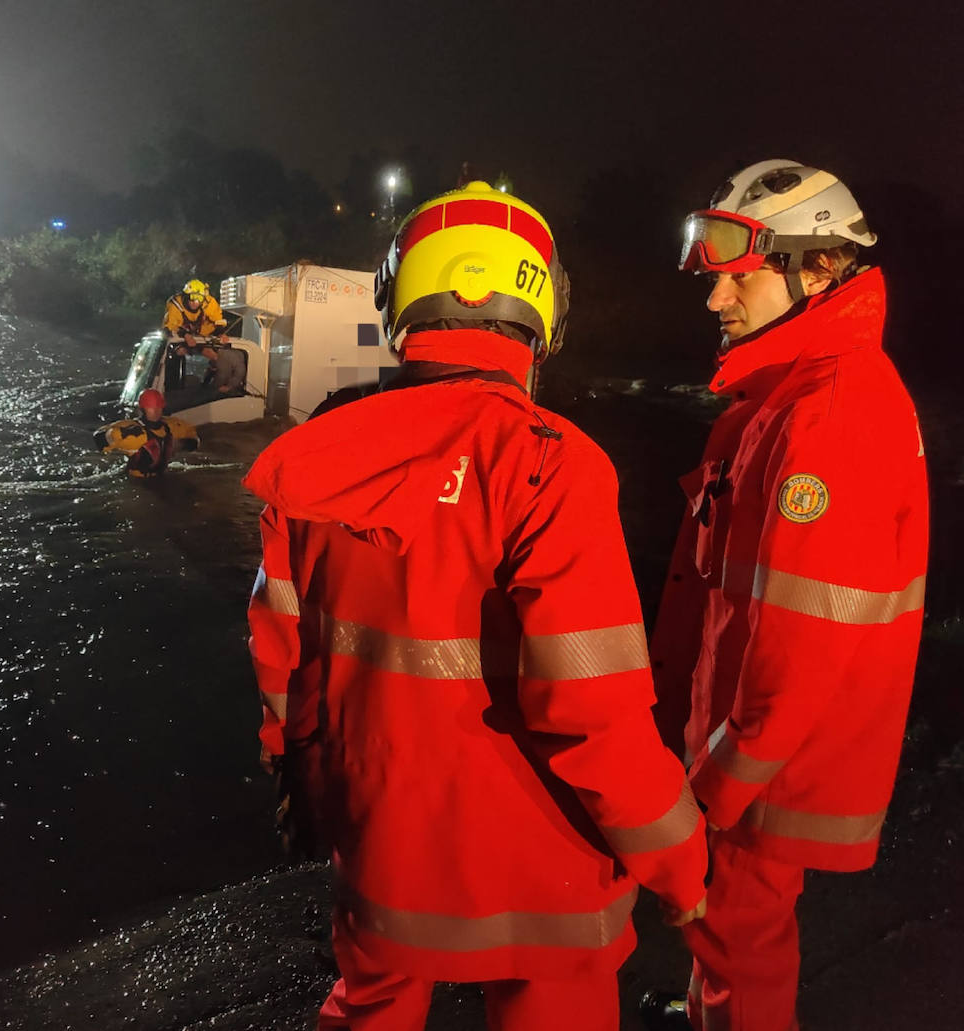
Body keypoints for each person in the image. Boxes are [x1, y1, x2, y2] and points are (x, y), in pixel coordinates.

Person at [242, 180, 709, 1030]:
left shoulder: (314, 463)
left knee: (370, 1007)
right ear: (543, 314)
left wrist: (309, 789)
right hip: (546, 875)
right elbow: (594, 710)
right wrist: (678, 856)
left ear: (398, 301)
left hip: (383, 853)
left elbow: (283, 668)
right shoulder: (554, 467)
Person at [640, 161, 929, 1031]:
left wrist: (714, 789)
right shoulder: (800, 395)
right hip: (747, 748)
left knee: (742, 941)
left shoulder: (830, 412)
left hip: (760, 767)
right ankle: (708, 1008)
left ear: (820, 271)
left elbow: (803, 643)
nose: (716, 300)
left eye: (739, 276)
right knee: (733, 938)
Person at [125, 388, 174, 478]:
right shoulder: (134, 431)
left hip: (161, 475)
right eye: (151, 408)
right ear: (143, 410)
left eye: (158, 408)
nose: (156, 411)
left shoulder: (166, 429)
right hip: (138, 480)